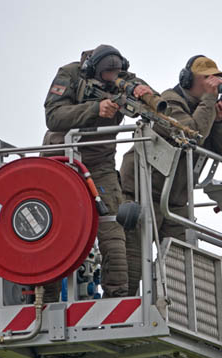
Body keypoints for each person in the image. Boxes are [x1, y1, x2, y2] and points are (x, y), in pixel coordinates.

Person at [120, 55, 222, 297]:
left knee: (180, 264)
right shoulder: (169, 101)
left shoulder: (204, 109)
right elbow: (191, 133)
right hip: (143, 193)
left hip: (172, 201)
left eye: (215, 80)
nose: (213, 85)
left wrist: (220, 120)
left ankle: (171, 311)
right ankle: (121, 311)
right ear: (188, 80)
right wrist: (208, 100)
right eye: (207, 79)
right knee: (132, 263)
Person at [42, 44, 154, 299]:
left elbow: (152, 102)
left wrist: (143, 92)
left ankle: (117, 299)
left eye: (116, 74)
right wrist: (95, 109)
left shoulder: (122, 80)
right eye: (107, 74)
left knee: (114, 232)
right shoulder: (69, 74)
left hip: (100, 165)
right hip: (62, 161)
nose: (111, 79)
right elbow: (53, 116)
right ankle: (45, 300)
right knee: (53, 233)